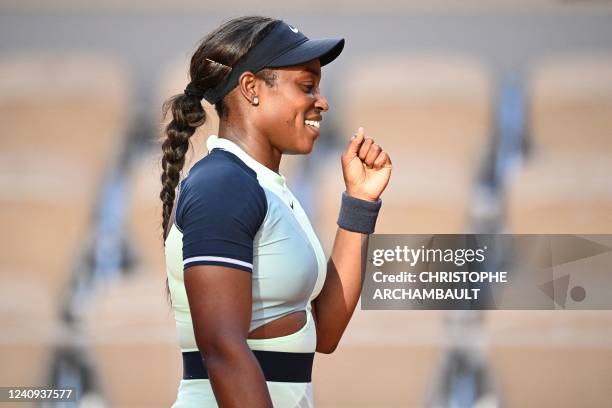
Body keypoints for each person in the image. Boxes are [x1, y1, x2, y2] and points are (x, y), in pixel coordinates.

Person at [159, 16, 392, 407]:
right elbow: (221, 348)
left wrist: (360, 203)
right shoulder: (223, 185)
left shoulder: (265, 187)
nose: (323, 101)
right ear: (252, 89)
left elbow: (326, 332)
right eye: (307, 85)